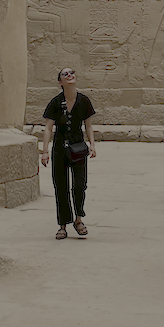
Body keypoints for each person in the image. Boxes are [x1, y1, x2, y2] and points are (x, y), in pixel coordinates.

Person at [40, 68, 97, 239]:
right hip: (59, 149)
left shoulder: (84, 100)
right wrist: (44, 151)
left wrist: (92, 144)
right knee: (61, 186)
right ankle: (62, 225)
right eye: (65, 74)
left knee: (79, 185)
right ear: (60, 82)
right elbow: (49, 128)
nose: (70, 75)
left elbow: (88, 125)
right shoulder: (56, 102)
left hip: (78, 148)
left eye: (72, 72)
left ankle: (78, 220)